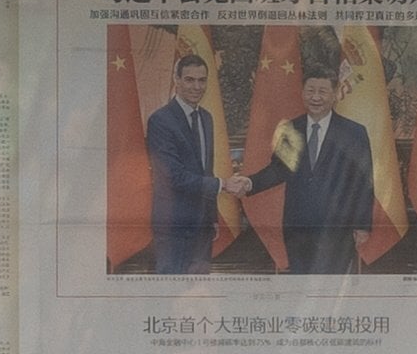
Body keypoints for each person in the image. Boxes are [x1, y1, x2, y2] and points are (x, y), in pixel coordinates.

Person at [230, 66, 374, 274]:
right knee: (301, 289)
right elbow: (279, 170)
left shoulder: (353, 133)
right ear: (302, 93)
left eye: (322, 92)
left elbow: (363, 183)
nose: (315, 97)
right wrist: (249, 182)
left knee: (329, 293)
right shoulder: (290, 129)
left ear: (334, 94)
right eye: (310, 91)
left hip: (337, 230)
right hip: (297, 229)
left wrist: (362, 225)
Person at [147, 54, 236, 274]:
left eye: (202, 80)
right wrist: (223, 184)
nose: (197, 86)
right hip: (173, 227)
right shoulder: (160, 120)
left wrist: (211, 216)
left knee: (198, 300)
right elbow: (173, 176)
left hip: (203, 228)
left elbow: (205, 169)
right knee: (170, 295)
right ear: (176, 80)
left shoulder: (206, 118)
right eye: (189, 80)